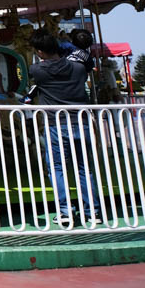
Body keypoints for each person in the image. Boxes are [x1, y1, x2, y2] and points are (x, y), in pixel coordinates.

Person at [28, 29, 101, 228]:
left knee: (57, 167)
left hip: (56, 123)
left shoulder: (37, 71)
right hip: (81, 121)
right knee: (84, 168)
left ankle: (66, 211)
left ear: (40, 52)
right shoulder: (78, 69)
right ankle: (92, 211)